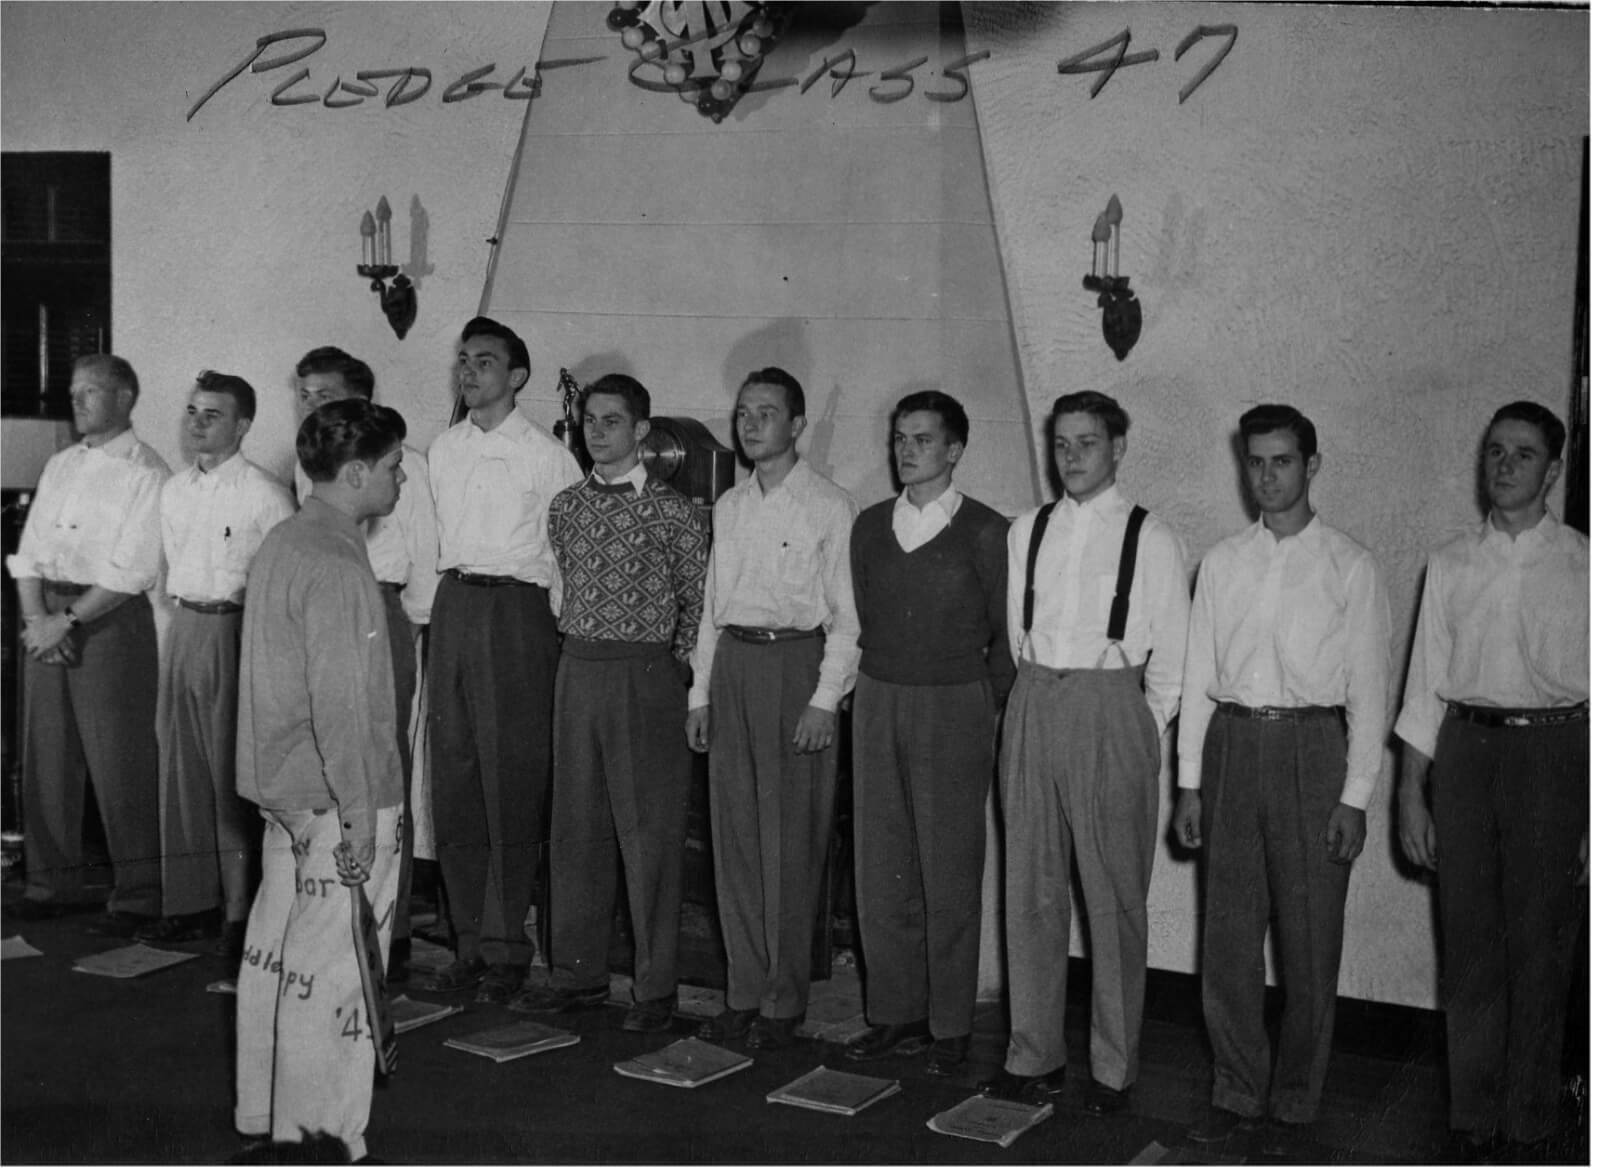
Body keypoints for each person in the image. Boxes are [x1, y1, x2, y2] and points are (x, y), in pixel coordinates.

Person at [1171, 405, 1390, 1153]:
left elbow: (1369, 692)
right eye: (1255, 463)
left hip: (1312, 751)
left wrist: (1355, 797)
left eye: (1282, 462)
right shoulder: (1224, 562)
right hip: (1233, 743)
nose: (1266, 477)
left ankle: (1296, 1099)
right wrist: (1190, 783)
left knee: (1308, 942)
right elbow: (1200, 671)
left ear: (1311, 465)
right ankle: (1237, 1086)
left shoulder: (1350, 566)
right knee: (1228, 940)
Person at [980, 390, 1188, 1112]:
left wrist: (1136, 732)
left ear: (1119, 448)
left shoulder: (1152, 537)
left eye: (1087, 443)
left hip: (1111, 710)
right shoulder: (1027, 529)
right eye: (1061, 444)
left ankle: (1114, 1067)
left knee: (1113, 897)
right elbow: (1015, 634)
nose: (1071, 458)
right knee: (1028, 888)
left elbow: (1173, 663)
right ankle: (1032, 1052)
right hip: (1035, 701)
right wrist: (1038, 701)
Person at [1395, 400, 1588, 1162]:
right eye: (1496, 451)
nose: (1505, 466)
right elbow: (1423, 689)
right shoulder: (1450, 561)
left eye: (1524, 454)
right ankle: (1473, 1114)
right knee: (1468, 944)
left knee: (1541, 945)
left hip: (1555, 754)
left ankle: (1530, 1112)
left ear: (1553, 469)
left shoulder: (1584, 564)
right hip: (1465, 754)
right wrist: (1413, 791)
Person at [232, 397, 408, 1164]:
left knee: (274, 956)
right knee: (333, 972)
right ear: (360, 471)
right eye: (396, 467)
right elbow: (343, 705)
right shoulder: (338, 563)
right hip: (338, 796)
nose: (401, 479)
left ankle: (263, 1114)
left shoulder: (285, 540)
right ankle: (319, 1138)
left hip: (282, 791)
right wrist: (363, 815)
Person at [516, 374, 708, 1029]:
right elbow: (558, 587)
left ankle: (654, 989)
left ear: (641, 431)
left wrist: (668, 670)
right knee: (575, 828)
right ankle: (578, 973)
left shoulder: (674, 511)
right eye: (590, 421)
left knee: (648, 833)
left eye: (612, 421)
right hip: (579, 668)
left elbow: (695, 604)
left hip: (644, 675)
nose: (598, 432)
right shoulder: (566, 506)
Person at [686, 366, 860, 1050]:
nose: (751, 423)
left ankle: (784, 1001)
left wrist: (825, 699)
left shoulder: (829, 506)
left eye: (767, 412)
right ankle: (743, 991)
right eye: (744, 411)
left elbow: (848, 618)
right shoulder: (728, 507)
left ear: (797, 424)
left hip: (796, 668)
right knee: (733, 844)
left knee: (790, 843)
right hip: (734, 664)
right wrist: (700, 694)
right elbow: (709, 611)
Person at [843, 390, 1013, 1076]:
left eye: (921, 439)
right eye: (899, 438)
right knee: (880, 864)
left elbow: (1008, 638)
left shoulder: (987, 531)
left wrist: (984, 707)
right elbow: (856, 617)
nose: (906, 450)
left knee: (948, 867)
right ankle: (895, 1013)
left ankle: (949, 1026)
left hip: (954, 703)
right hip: (880, 696)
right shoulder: (867, 526)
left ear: (955, 450)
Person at [418, 317, 581, 1002]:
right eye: (463, 361)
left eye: (485, 362)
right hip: (455, 607)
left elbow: (567, 562)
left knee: (508, 784)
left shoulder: (548, 457)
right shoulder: (442, 450)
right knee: (453, 781)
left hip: (517, 617)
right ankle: (465, 944)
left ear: (516, 377)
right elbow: (431, 542)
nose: (469, 372)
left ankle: (508, 946)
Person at [5, 355, 169, 934]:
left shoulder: (147, 471)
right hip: (46, 615)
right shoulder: (60, 466)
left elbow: (133, 568)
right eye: (74, 392)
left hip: (108, 622)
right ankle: (51, 884)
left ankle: (140, 894)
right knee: (46, 756)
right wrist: (36, 620)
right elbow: (28, 552)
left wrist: (66, 621)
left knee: (119, 757)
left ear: (125, 397)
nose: (76, 402)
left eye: (90, 391)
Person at [135, 372, 294, 961]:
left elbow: (278, 585)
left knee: (231, 777)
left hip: (238, 629)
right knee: (180, 770)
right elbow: (172, 569)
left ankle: (236, 911)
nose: (197, 423)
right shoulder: (174, 490)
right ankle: (188, 904)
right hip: (186, 627)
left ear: (243, 425)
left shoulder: (265, 493)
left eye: (212, 414)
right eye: (192, 412)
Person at [293, 346, 440, 981]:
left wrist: (407, 630)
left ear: (360, 401)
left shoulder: (406, 468)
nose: (309, 407)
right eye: (303, 395)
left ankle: (391, 926)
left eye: (322, 396)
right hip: (325, 616)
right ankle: (331, 918)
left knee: (383, 773)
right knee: (326, 764)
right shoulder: (308, 470)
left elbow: (427, 558)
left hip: (384, 614)